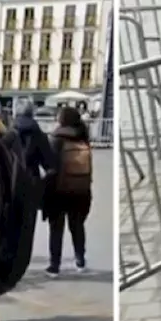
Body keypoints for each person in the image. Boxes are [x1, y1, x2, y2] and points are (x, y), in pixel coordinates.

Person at [46, 106, 93, 276]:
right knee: (78, 227)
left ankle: (54, 266)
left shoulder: (56, 139)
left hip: (59, 191)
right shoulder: (83, 137)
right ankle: (80, 261)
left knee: (56, 229)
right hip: (80, 190)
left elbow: (50, 167)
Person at [11, 96, 56, 177]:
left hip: (9, 180)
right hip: (32, 179)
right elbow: (49, 164)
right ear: (32, 113)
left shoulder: (6, 133)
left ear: (15, 113)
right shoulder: (39, 134)